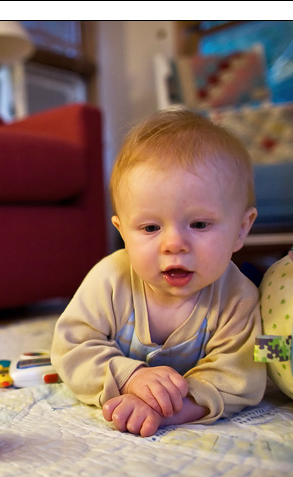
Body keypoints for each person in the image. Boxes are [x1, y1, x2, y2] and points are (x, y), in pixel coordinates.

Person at [51, 108, 266, 437]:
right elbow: (71, 348)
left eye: (199, 224)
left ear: (241, 229)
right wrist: (131, 378)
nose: (174, 244)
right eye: (151, 227)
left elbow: (240, 378)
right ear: (123, 233)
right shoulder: (110, 279)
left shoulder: (238, 298)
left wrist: (168, 410)